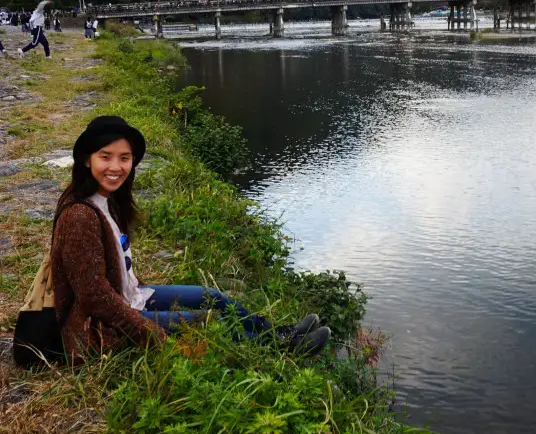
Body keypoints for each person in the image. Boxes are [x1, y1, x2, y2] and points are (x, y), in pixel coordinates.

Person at [48, 116, 331, 359]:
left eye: (124, 158)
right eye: (105, 157)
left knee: (213, 297)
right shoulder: (80, 216)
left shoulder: (107, 201)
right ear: (87, 160)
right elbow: (93, 297)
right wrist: (150, 331)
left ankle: (278, 333)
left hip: (131, 298)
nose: (116, 167)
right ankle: (281, 349)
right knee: (205, 323)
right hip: (99, 326)